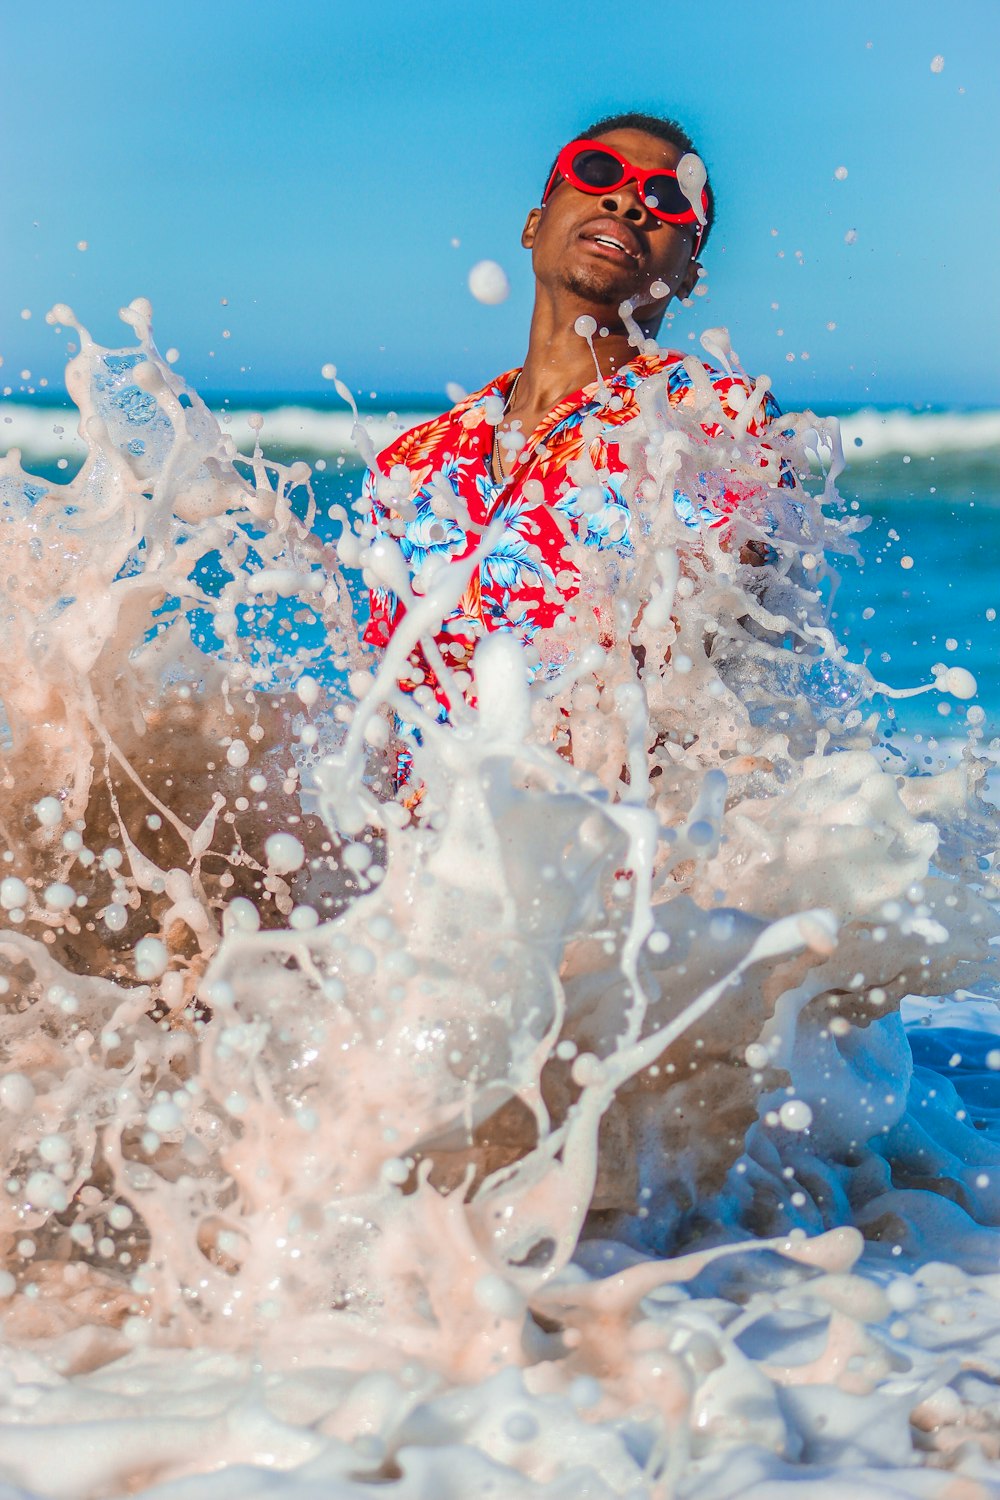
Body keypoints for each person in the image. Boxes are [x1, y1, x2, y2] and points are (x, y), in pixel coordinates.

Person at [361, 111, 788, 744]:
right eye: (598, 171)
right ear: (534, 224)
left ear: (690, 274)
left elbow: (708, 661)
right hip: (433, 837)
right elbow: (391, 716)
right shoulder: (408, 465)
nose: (628, 200)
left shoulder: (709, 418)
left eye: (668, 199)